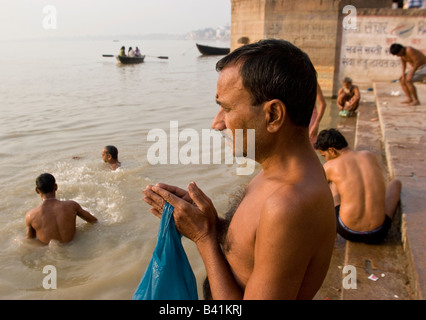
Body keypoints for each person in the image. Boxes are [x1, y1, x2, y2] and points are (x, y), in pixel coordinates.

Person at [143, 39, 336, 300]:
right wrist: (209, 223)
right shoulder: (278, 172)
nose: (217, 124)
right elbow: (256, 251)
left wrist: (204, 238)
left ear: (273, 115)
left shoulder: (289, 204)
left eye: (227, 108)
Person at [314, 128, 402, 244]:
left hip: (348, 231)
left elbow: (316, 194)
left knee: (333, 185)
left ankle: (332, 234)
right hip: (378, 232)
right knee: (396, 183)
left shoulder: (330, 166)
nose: (326, 159)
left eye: (324, 155)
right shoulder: (369, 156)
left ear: (332, 151)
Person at [25, 173, 98, 245]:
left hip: (52, 254)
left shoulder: (31, 216)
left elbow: (30, 241)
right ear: (56, 187)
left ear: (37, 190)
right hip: (76, 246)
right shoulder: (72, 205)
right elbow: (94, 221)